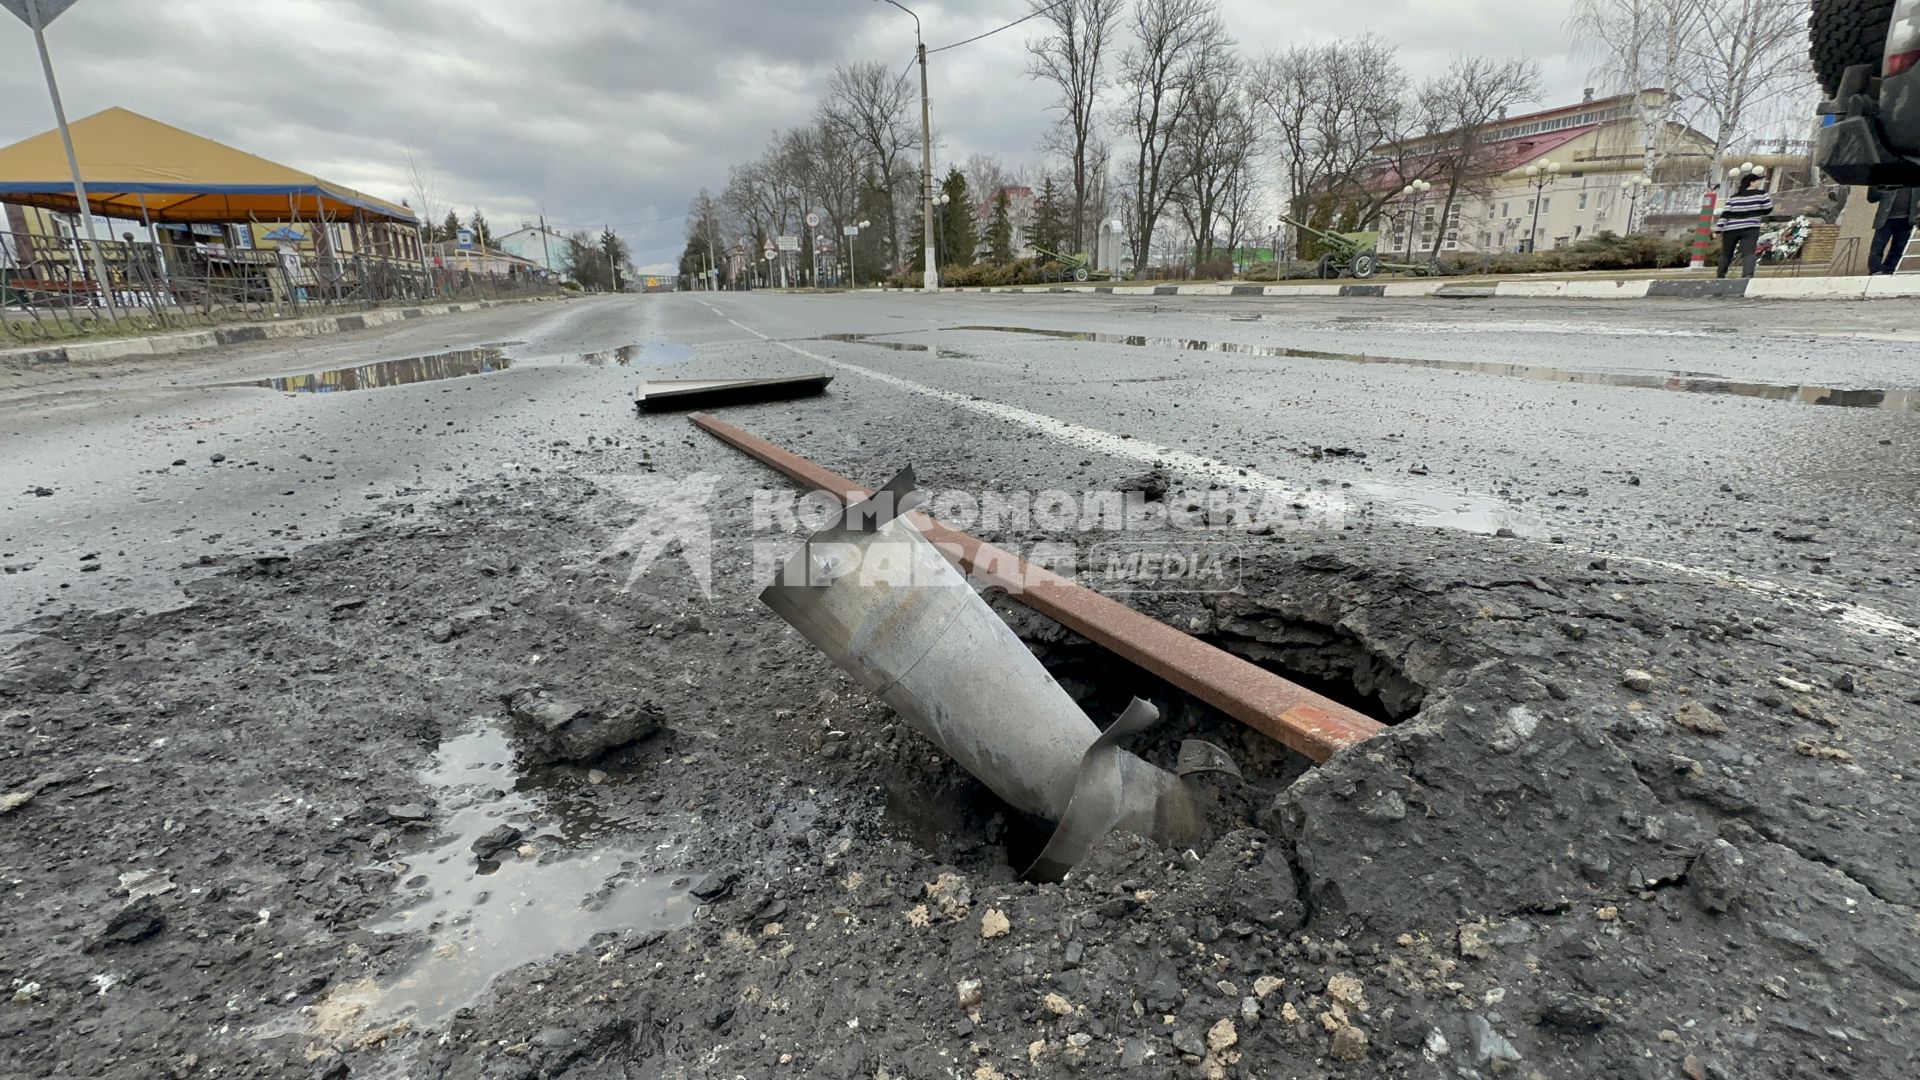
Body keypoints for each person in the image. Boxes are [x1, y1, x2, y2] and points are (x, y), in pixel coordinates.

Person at [1715, 174, 1772, 279]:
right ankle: (1747, 275)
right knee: (1749, 252)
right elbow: (1768, 209)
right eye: (1758, 181)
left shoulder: (1733, 197)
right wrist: (1756, 211)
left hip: (1730, 229)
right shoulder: (1762, 194)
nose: (1759, 183)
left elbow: (1725, 214)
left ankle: (1720, 275)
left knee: (1726, 253)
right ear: (1751, 182)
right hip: (1750, 227)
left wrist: (1718, 230)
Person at [1867, 185, 1917, 275]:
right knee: (1878, 246)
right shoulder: (1888, 178)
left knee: (1898, 249)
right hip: (1886, 219)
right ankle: (1875, 270)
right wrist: (1874, 184)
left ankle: (1888, 271)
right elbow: (1872, 198)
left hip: (1906, 220)